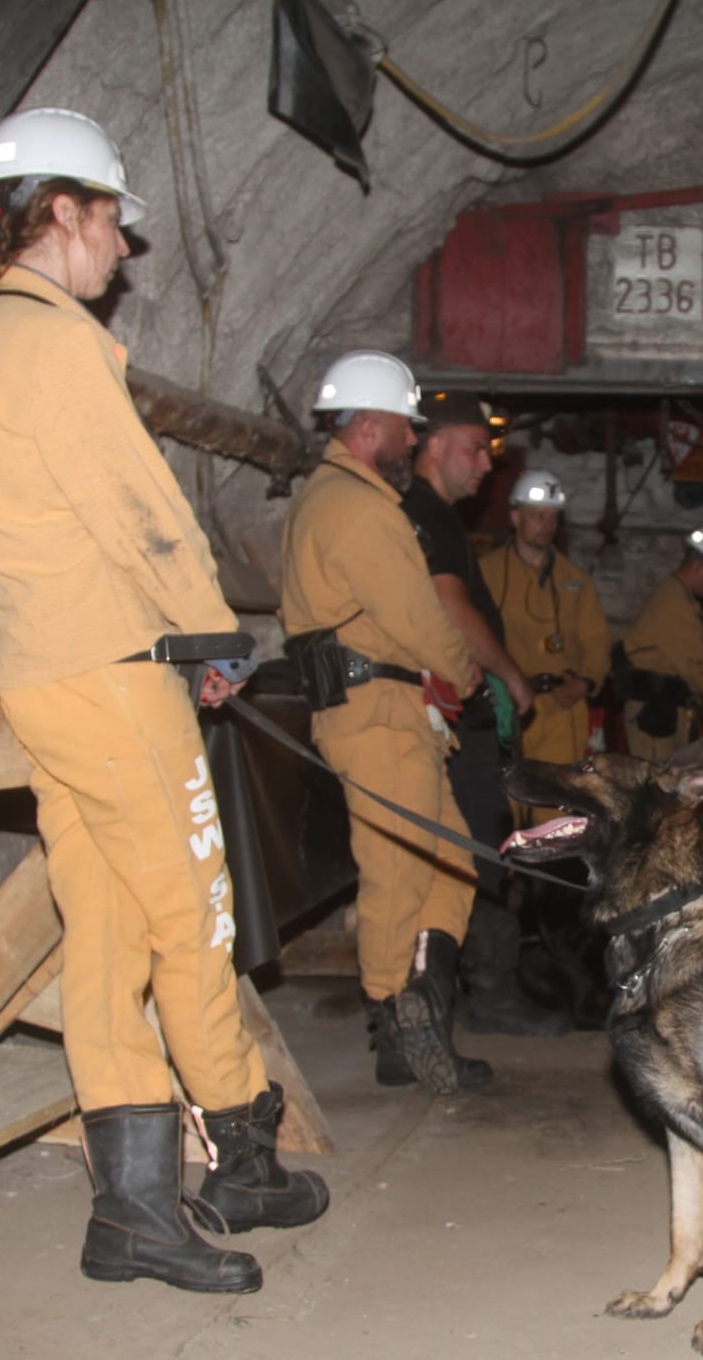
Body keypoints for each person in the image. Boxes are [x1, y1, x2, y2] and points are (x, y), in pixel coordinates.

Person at [0, 107, 325, 1295]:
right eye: (113, 220)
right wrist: (212, 633)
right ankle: (240, 1153)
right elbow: (139, 512)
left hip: (40, 671)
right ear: (62, 211)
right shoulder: (52, 343)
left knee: (107, 933)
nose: (123, 246)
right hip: (111, 671)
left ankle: (133, 1213)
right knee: (194, 912)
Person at [279, 351, 497, 1089]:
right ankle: (396, 1024)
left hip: (393, 711)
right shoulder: (358, 508)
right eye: (405, 426)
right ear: (370, 425)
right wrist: (464, 670)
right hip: (376, 715)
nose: (412, 439)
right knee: (397, 873)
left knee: (450, 861)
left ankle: (421, 1016)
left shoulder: (340, 499)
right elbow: (419, 618)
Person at [401, 394, 570, 1038]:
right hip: (459, 718)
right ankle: (489, 993)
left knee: (469, 848)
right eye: (475, 449)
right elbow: (451, 606)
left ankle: (455, 993)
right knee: (480, 847)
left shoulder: (424, 514)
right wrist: (509, 672)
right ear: (435, 446)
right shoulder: (431, 514)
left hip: (455, 716)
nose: (485, 465)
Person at [479, 468, 612, 814]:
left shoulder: (575, 580)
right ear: (515, 517)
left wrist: (585, 682)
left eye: (553, 518)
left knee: (556, 809)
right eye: (538, 516)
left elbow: (596, 642)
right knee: (502, 809)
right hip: (506, 708)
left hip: (560, 710)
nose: (547, 525)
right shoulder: (487, 574)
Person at [616, 525, 703, 763]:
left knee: (674, 779)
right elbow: (696, 664)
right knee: (659, 780)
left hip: (665, 708)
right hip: (654, 713)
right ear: (698, 567)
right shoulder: (674, 604)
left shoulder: (679, 598)